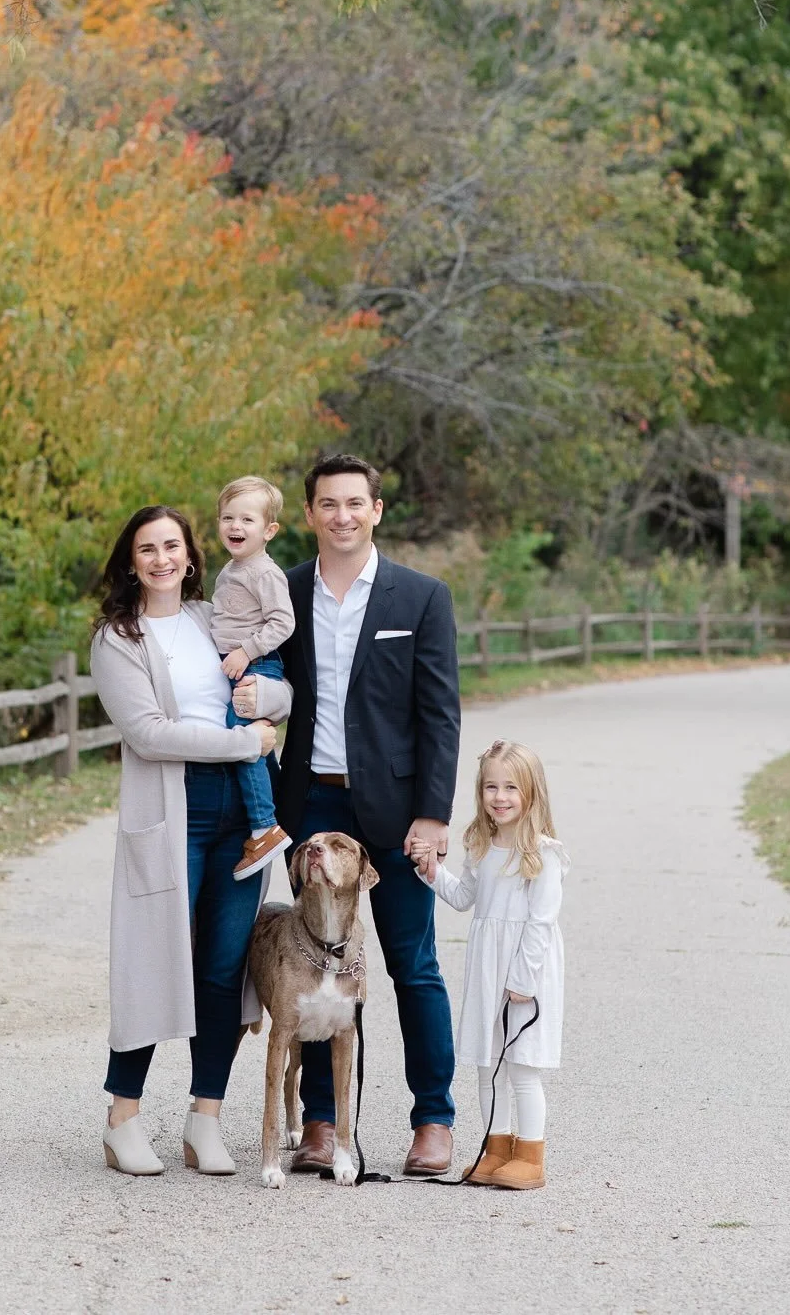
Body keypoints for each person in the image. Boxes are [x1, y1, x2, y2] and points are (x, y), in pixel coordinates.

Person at [259, 451, 461, 1175]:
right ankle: (319, 1125)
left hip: (399, 808)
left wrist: (433, 815)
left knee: (414, 965)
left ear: (376, 510)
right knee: (313, 970)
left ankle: (433, 1119)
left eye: (355, 503)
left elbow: (440, 715)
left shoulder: (421, 597)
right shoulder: (282, 595)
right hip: (313, 802)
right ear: (310, 515)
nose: (341, 515)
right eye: (327, 504)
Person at [89, 504, 291, 1178]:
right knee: (154, 963)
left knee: (222, 970)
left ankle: (205, 1118)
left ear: (191, 555)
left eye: (172, 545)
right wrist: (243, 740)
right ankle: (123, 1118)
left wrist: (266, 706)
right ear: (130, 562)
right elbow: (149, 734)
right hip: (173, 814)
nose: (162, 558)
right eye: (147, 548)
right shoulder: (118, 639)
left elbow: (279, 692)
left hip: (242, 811)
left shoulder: (213, 619)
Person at [412, 738, 569, 1189]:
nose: (499, 798)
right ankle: (495, 1148)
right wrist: (432, 871)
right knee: (488, 1065)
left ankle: (531, 1155)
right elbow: (464, 898)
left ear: (532, 793)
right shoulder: (482, 847)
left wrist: (523, 979)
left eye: (511, 788)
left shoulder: (544, 853)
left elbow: (541, 923)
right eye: (490, 787)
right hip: (488, 969)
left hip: (525, 972)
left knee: (521, 1065)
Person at [210, 476, 295, 880]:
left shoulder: (264, 572)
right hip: (238, 663)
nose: (235, 526)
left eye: (247, 519)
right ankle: (278, 803)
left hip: (257, 665)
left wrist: (246, 651)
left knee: (240, 734)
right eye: (228, 517)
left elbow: (283, 622)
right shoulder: (231, 568)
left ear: (269, 530)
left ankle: (263, 827)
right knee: (257, 744)